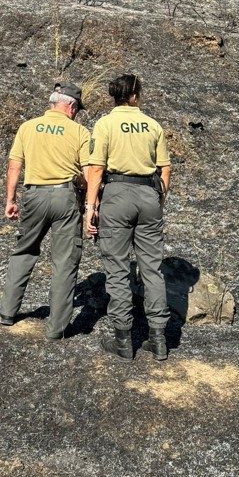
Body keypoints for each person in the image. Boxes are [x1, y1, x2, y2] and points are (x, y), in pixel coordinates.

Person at [85, 73, 171, 362]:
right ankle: (158, 338)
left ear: (115, 95)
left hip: (117, 195)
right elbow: (165, 169)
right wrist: (159, 199)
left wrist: (91, 207)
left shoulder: (105, 124)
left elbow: (96, 170)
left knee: (118, 268)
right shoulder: (153, 125)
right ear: (135, 96)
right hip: (149, 195)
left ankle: (124, 341)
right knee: (152, 268)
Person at [0, 84, 90, 340]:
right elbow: (87, 174)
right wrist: (89, 197)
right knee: (65, 262)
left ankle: (7, 313)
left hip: (34, 195)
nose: (77, 114)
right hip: (65, 196)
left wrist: (10, 200)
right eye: (77, 110)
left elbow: (14, 168)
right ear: (71, 106)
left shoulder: (27, 127)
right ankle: (56, 329)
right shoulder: (80, 131)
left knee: (24, 251)